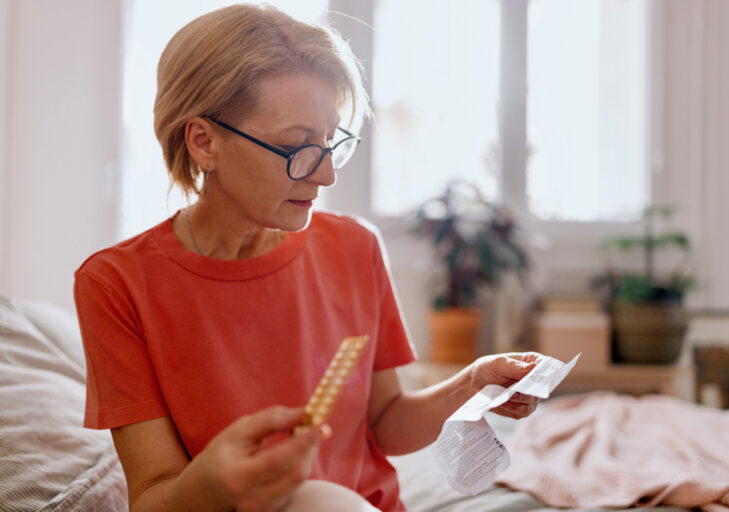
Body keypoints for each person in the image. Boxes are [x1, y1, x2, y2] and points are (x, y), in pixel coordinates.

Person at [73, 4, 543, 511]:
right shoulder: (117, 285)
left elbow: (386, 425)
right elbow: (153, 498)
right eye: (298, 147)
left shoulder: (354, 248)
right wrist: (213, 483)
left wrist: (472, 383)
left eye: (330, 143)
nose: (326, 177)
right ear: (204, 142)